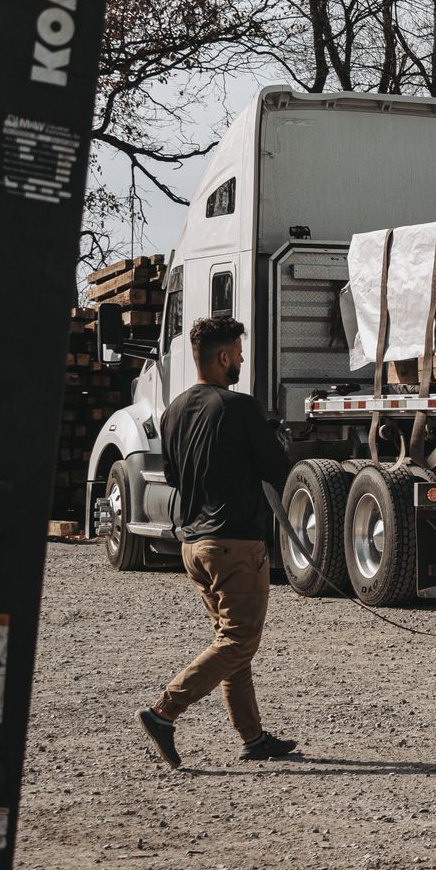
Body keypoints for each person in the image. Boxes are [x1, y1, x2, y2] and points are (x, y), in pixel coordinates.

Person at [137, 316, 298, 768]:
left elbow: (172, 476)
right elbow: (277, 470)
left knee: (230, 641)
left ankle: (253, 737)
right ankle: (163, 712)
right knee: (240, 641)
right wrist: (270, 437)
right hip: (234, 545)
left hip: (195, 546)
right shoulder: (240, 408)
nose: (242, 360)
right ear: (223, 356)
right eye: (239, 353)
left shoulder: (173, 411)